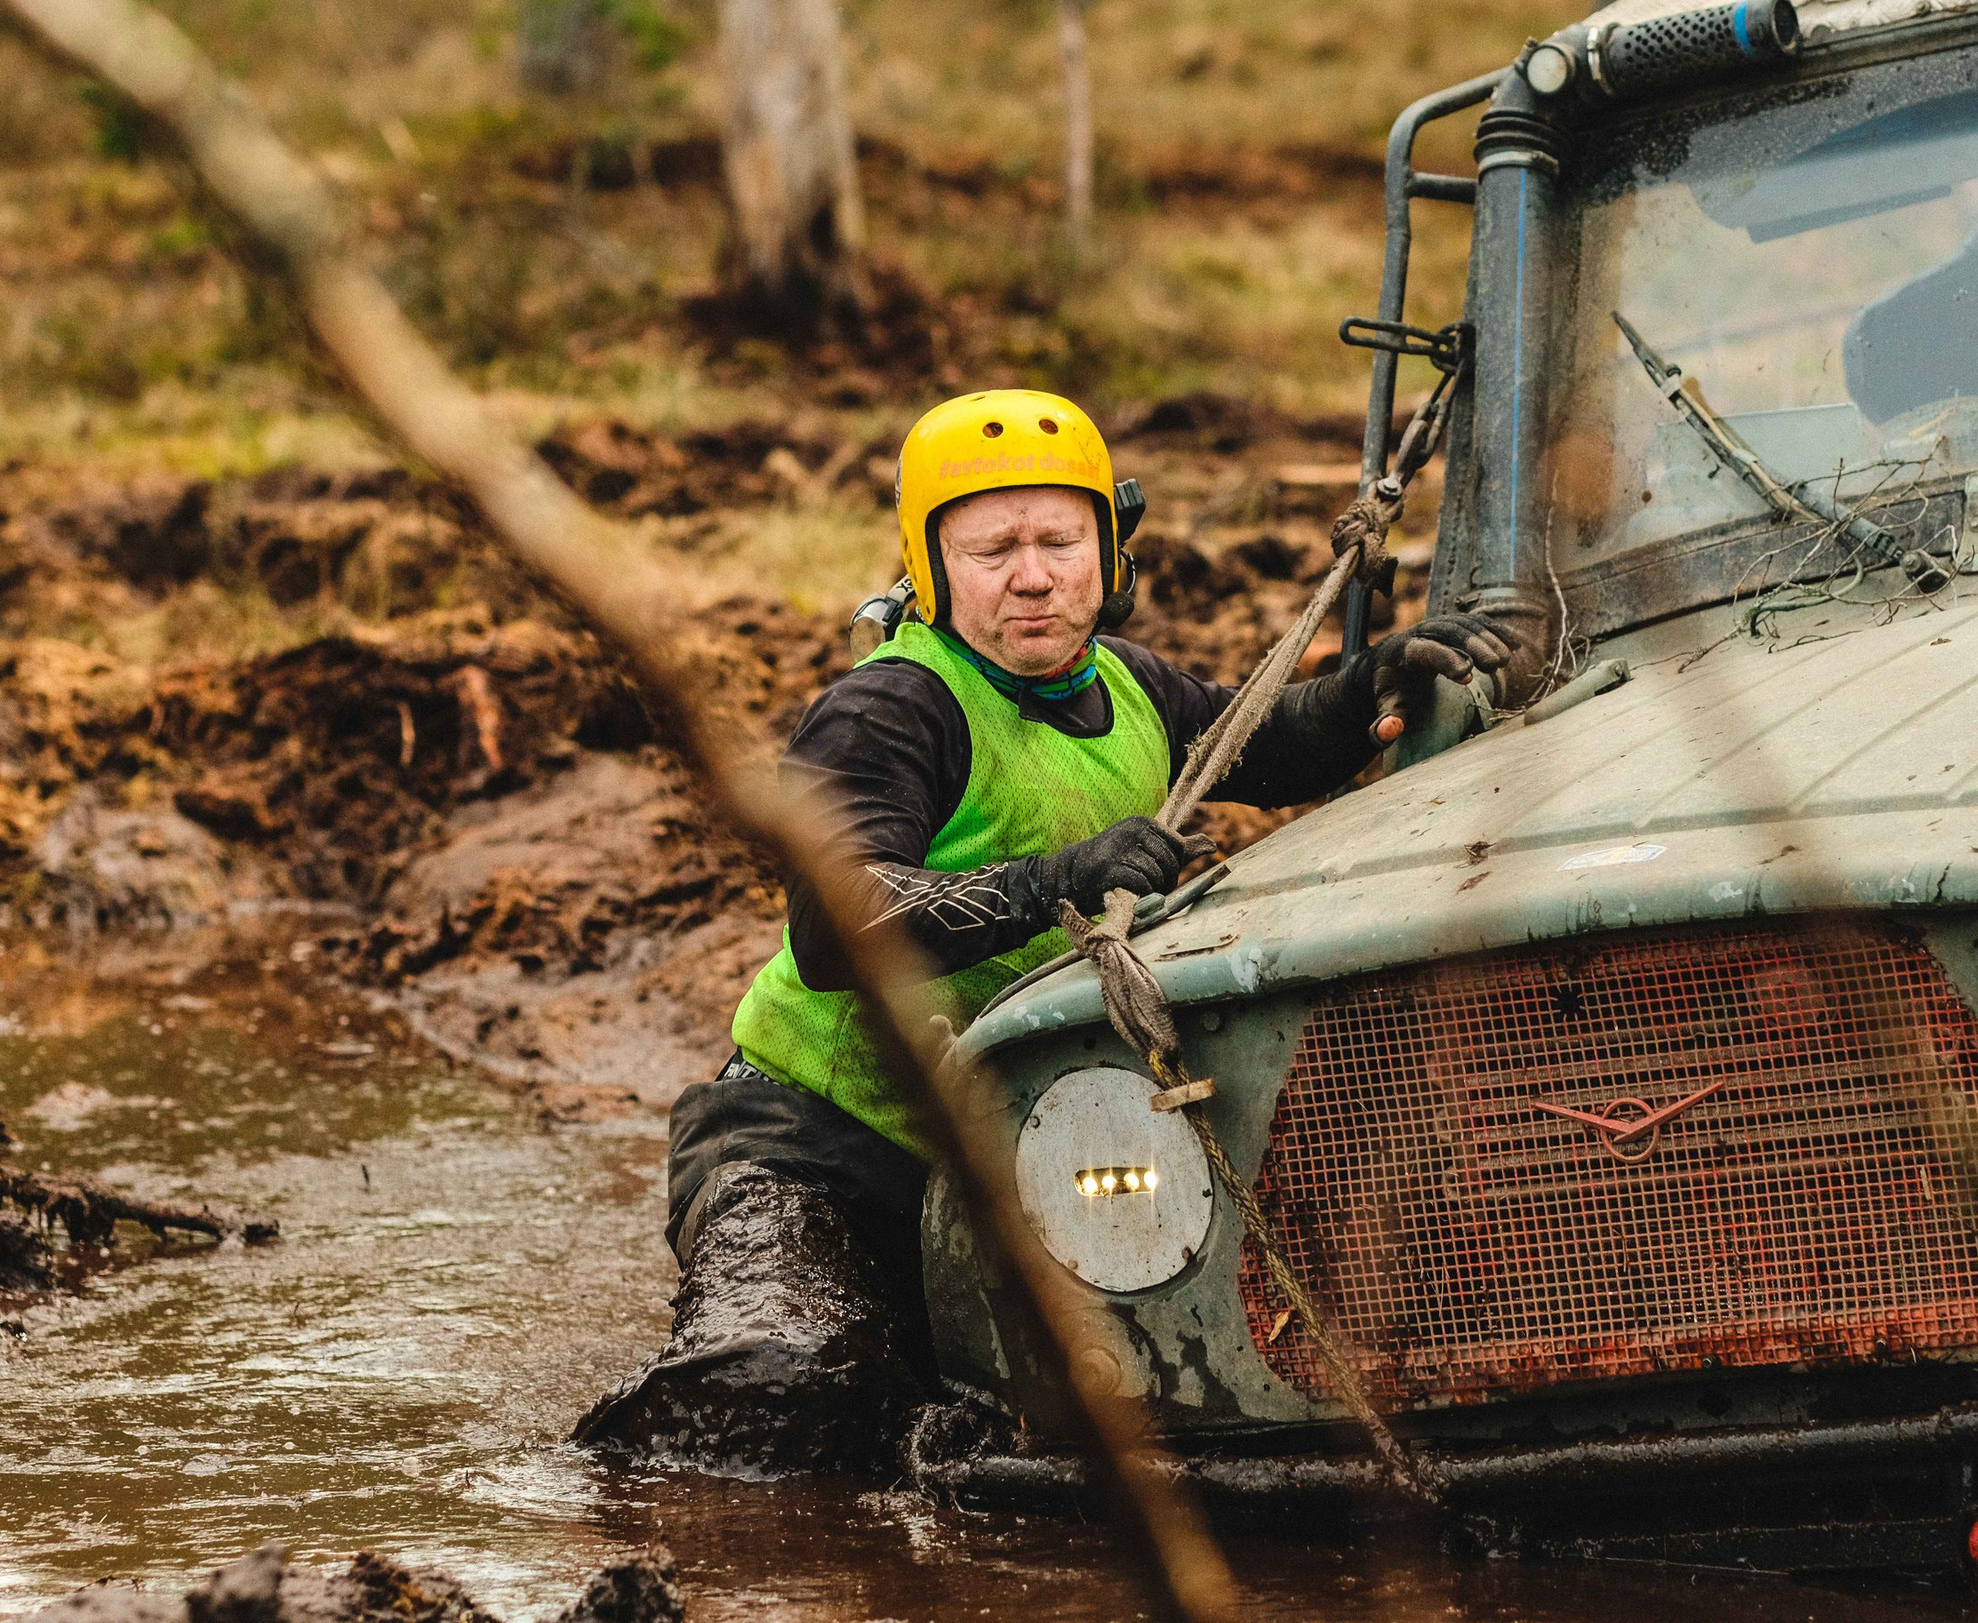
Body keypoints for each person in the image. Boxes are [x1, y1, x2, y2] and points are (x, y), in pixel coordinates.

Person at [574, 388, 1514, 1467]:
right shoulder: (886, 708)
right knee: (785, 1379)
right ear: (930, 569)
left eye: (1061, 541)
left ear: (1108, 551)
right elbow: (840, 927)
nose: (1032, 575)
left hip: (1000, 1154)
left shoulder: (1133, 685)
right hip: (813, 1148)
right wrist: (1053, 880)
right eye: (992, 549)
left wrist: (1361, 691)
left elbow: (1269, 748)